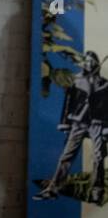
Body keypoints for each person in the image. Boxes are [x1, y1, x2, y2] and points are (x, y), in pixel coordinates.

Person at [35, 51, 106, 204]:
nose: (88, 63)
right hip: (78, 123)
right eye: (86, 61)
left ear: (96, 62)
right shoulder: (76, 80)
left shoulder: (103, 83)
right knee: (66, 156)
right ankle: (53, 189)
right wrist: (65, 123)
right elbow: (68, 102)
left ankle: (97, 191)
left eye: (91, 61)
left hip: (96, 124)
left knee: (99, 156)